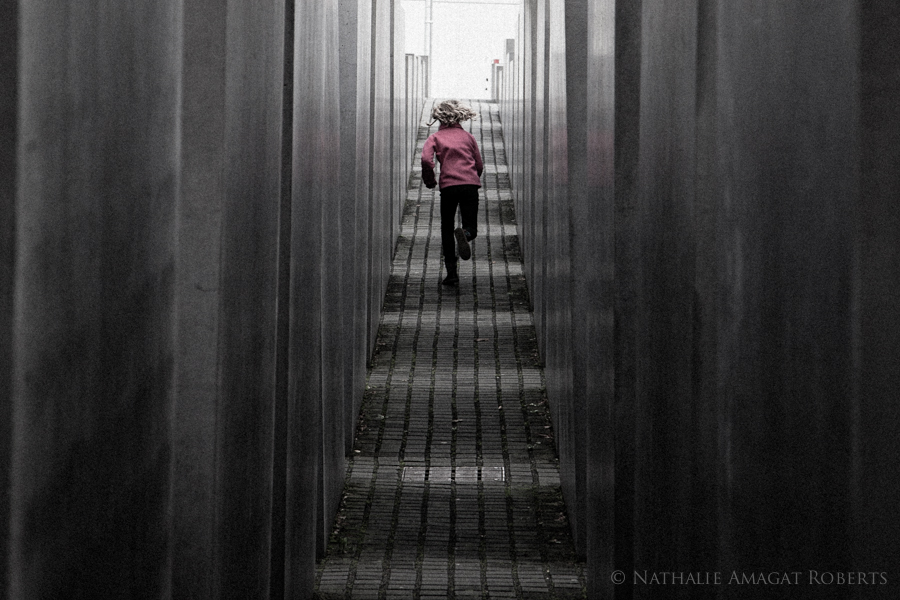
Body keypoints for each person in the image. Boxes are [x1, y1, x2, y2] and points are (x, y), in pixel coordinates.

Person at [421, 100, 484, 286]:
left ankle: (451, 274)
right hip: (470, 185)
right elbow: (479, 164)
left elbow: (426, 159)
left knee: (447, 228)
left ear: (439, 118)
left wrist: (430, 181)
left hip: (448, 187)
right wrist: (473, 177)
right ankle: (466, 233)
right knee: (471, 225)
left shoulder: (435, 138)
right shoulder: (468, 137)